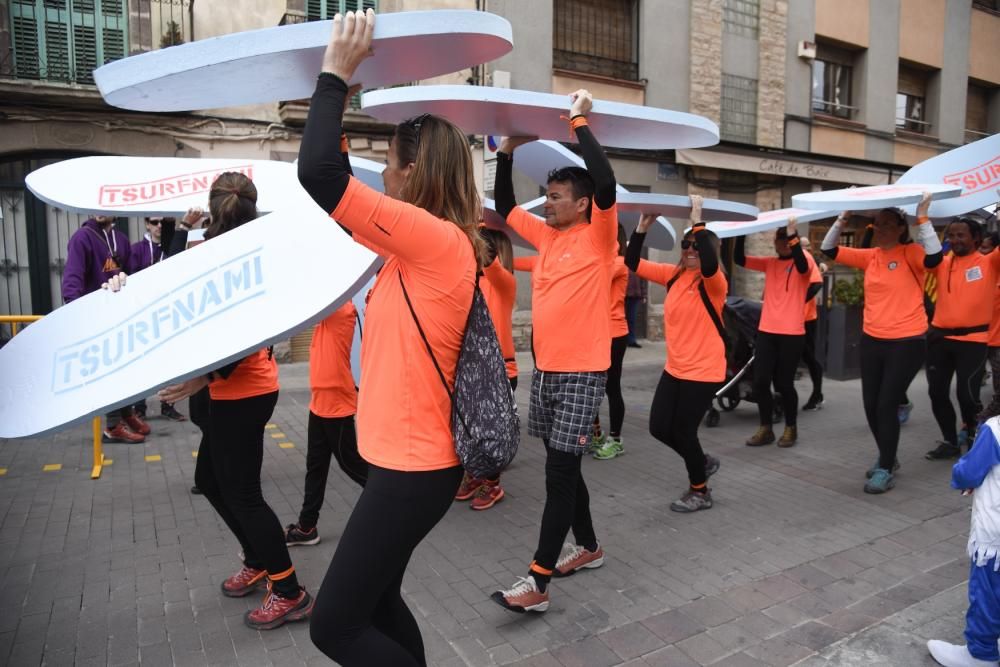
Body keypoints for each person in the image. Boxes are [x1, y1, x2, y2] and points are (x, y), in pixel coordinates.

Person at [297, 10, 484, 665]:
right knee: (376, 603)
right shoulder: (414, 245)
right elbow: (338, 192)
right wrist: (332, 104)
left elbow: (319, 175)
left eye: (389, 165)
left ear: (415, 173)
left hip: (414, 468)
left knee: (335, 627)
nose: (383, 175)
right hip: (402, 464)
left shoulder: (434, 241)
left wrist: (335, 77)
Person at [157, 172, 313, 630]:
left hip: (244, 392)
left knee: (243, 494)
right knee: (210, 478)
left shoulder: (251, 258)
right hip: (233, 391)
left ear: (211, 206)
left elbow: (248, 334)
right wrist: (182, 234)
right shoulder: (227, 252)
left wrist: (201, 378)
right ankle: (258, 558)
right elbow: (166, 288)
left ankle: (289, 591)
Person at [489, 92, 617, 615]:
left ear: (582, 203)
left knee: (558, 474)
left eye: (558, 196)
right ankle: (587, 547)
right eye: (547, 195)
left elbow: (605, 181)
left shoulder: (598, 238)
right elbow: (503, 207)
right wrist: (506, 153)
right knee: (563, 466)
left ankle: (538, 579)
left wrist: (578, 120)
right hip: (547, 372)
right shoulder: (546, 238)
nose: (548, 203)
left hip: (586, 372)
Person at [821, 194, 942, 493]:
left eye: (889, 224)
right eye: (878, 224)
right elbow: (828, 248)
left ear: (902, 228)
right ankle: (888, 456)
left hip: (907, 341)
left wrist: (923, 217)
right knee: (871, 406)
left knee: (887, 404)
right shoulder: (871, 256)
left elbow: (935, 259)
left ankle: (886, 467)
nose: (882, 228)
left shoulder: (911, 252)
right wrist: (843, 217)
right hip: (873, 340)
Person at [625, 197, 726, 512]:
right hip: (675, 368)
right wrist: (642, 228)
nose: (691, 249)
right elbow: (632, 262)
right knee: (658, 427)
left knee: (683, 431)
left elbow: (709, 261)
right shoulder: (673, 275)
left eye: (697, 244)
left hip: (704, 371)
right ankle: (702, 460)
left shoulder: (714, 282)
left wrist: (698, 221)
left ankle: (700, 491)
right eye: (686, 244)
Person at [61, 214, 149, 444]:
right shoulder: (82, 238)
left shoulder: (120, 239)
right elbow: (72, 277)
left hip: (119, 317)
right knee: (110, 372)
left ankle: (127, 414)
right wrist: (75, 312)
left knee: (126, 370)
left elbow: (131, 275)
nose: (97, 211)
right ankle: (112, 426)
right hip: (97, 318)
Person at [284, 301, 366, 546]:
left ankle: (392, 503)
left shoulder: (340, 309)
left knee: (352, 465)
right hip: (320, 402)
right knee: (315, 468)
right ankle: (307, 526)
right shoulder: (329, 310)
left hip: (336, 404)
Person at [926, 408, 1000, 667]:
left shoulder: (995, 428)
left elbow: (967, 472)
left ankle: (981, 653)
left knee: (987, 593)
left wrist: (966, 478)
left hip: (994, 538)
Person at [735, 221, 818, 448]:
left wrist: (792, 235)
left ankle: (791, 428)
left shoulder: (804, 263)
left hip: (791, 333)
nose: (781, 242)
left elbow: (802, 266)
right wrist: (741, 233)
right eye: (778, 238)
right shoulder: (770, 264)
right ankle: (766, 429)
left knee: (784, 384)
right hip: (767, 332)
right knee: (760, 383)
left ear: (793, 240)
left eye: (786, 238)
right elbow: (738, 259)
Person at [924, 216, 999, 460]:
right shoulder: (942, 263)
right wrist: (924, 217)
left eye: (960, 235)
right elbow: (929, 247)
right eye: (951, 235)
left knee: (967, 395)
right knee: (936, 392)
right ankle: (949, 440)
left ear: (976, 238)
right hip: (939, 340)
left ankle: (971, 432)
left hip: (974, 341)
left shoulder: (989, 263)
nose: (954, 240)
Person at [454, 227, 517, 511]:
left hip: (502, 369)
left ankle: (492, 485)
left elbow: (492, 265)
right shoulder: (471, 282)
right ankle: (475, 475)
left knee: (492, 431)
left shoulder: (505, 284)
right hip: (473, 371)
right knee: (472, 429)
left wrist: (473, 236)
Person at [127, 216, 187, 422]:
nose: (159, 226)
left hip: (168, 312)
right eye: (154, 222)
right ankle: (139, 407)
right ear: (146, 224)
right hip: (143, 314)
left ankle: (168, 405)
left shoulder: (173, 247)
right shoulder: (136, 249)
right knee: (141, 362)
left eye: (163, 222)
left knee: (169, 360)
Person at [591, 225, 630, 460]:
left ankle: (616, 440)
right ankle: (595, 435)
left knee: (611, 388)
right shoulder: (603, 262)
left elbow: (595, 275)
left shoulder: (618, 263)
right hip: (594, 333)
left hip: (614, 334)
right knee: (592, 387)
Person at [800, 237, 825, 411]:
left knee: (810, 357)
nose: (805, 248)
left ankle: (817, 394)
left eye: (807, 245)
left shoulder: (811, 262)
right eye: (802, 246)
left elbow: (817, 284)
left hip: (807, 318)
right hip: (790, 320)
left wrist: (798, 301)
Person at [625, 266, 647, 348]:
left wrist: (644, 295)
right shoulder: (621, 263)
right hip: (623, 296)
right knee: (621, 320)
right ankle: (621, 341)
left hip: (635, 297)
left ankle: (631, 340)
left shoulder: (637, 265)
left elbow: (642, 281)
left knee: (632, 319)